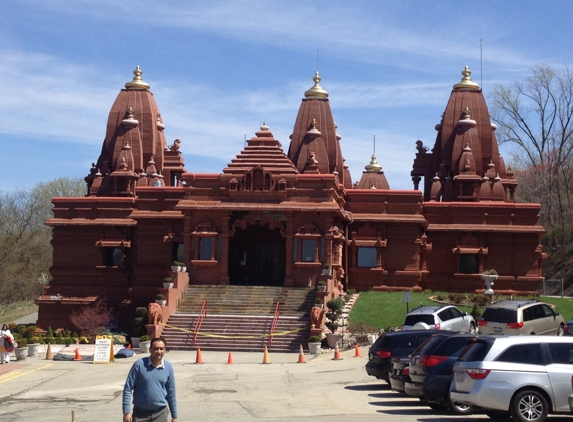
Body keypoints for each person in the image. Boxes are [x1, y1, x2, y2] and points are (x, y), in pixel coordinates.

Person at [122, 337, 177, 422]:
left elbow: (171, 392)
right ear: (150, 350)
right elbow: (128, 388)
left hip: (160, 414)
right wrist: (126, 412)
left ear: (165, 350)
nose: (159, 351)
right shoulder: (139, 365)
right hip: (140, 414)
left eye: (161, 349)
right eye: (156, 349)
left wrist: (174, 416)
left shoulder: (168, 367)